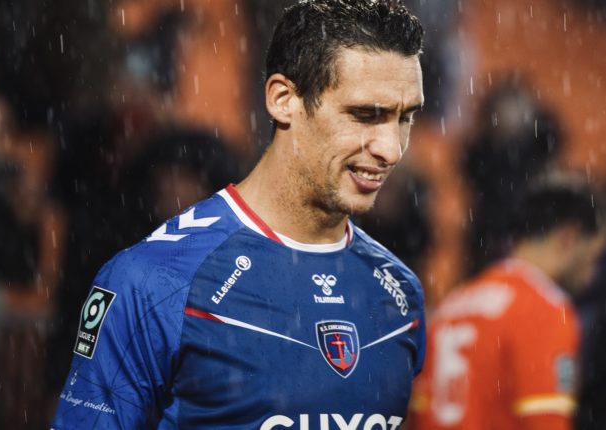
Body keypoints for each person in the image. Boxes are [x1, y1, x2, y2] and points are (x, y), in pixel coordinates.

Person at [52, 0, 426, 428]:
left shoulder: (400, 292)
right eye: (364, 115)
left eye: (405, 118)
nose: (391, 149)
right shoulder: (153, 281)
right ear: (283, 99)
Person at [409, 174, 606, 430]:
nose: (593, 272)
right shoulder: (545, 310)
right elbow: (546, 420)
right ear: (567, 239)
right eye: (594, 257)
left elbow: (417, 409)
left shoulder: (452, 305)